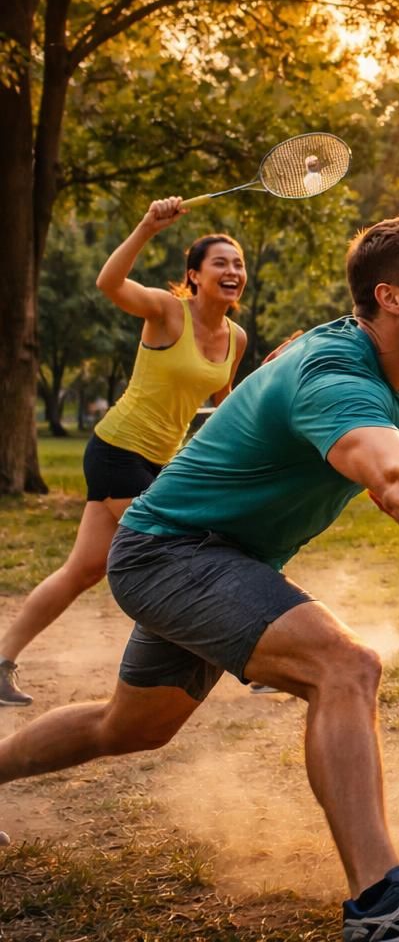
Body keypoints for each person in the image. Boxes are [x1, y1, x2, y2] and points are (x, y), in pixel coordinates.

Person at [0, 210, 399, 940]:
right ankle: (382, 905)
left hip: (216, 558)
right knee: (345, 666)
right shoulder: (336, 372)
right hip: (170, 551)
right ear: (390, 298)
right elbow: (395, 481)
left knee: (130, 727)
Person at [0, 199, 247, 708]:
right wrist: (146, 226)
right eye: (220, 262)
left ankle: (0, 659)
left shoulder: (235, 338)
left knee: (83, 570)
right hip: (117, 449)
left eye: (238, 263)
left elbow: (226, 411)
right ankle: (248, 649)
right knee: (181, 546)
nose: (232, 270)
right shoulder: (164, 310)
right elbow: (108, 284)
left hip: (158, 461)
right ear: (194, 276)